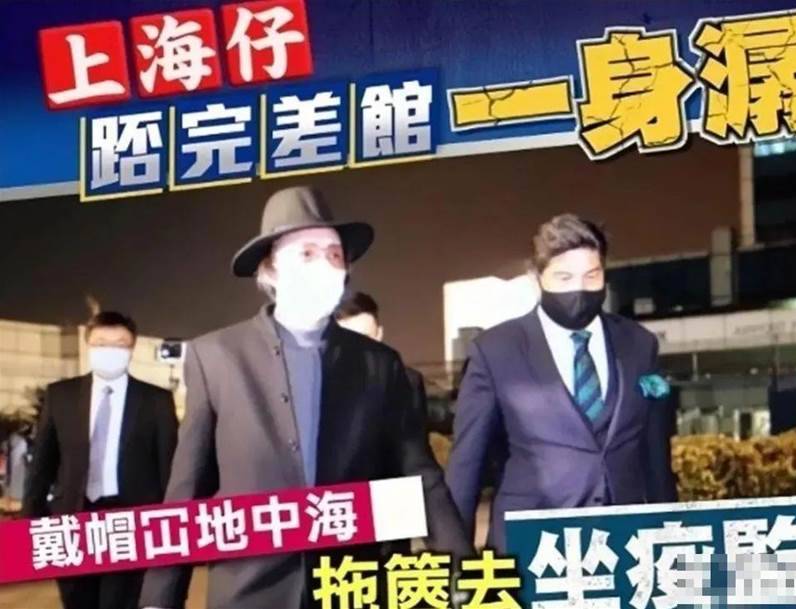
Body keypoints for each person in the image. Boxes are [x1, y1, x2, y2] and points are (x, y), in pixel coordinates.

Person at [139, 186, 470, 609]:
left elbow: (419, 475)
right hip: (249, 593)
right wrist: (158, 599)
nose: (324, 266)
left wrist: (462, 569)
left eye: (334, 254)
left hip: (349, 586)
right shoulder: (217, 356)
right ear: (270, 269)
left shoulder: (378, 364)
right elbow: (185, 493)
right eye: (307, 254)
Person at [446, 214, 677, 551]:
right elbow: (467, 463)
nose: (578, 289)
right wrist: (455, 558)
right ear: (536, 278)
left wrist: (670, 537)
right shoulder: (496, 350)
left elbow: (655, 455)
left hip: (623, 545)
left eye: (591, 276)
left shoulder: (639, 345)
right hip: (530, 547)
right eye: (564, 277)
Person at [23, 311, 179, 609]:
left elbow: (169, 469)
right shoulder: (61, 395)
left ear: (132, 348)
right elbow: (42, 465)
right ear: (89, 345)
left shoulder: (156, 400)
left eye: (119, 344)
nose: (110, 351)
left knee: (120, 602)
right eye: (101, 343)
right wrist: (31, 521)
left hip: (130, 521)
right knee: (76, 601)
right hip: (72, 519)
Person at [335, 291, 429, 418]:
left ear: (379, 334)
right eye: (348, 340)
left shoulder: (408, 382)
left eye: (365, 339)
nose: (357, 348)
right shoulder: (317, 382)